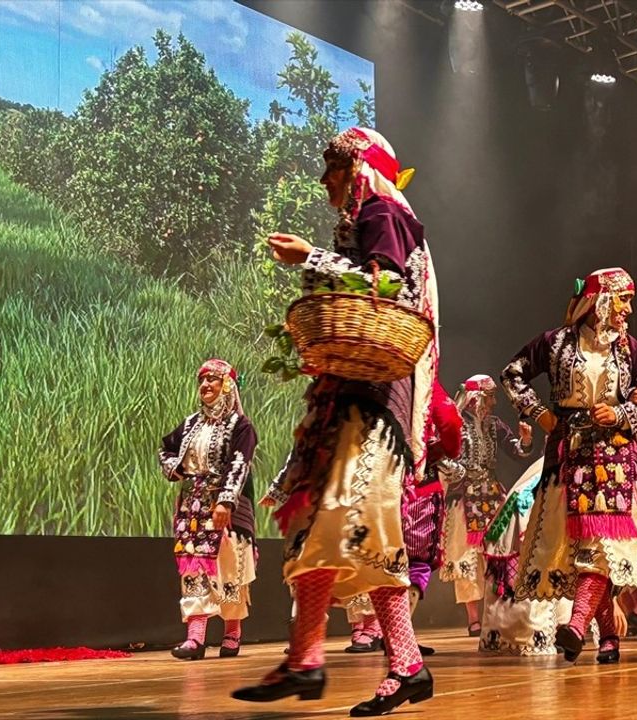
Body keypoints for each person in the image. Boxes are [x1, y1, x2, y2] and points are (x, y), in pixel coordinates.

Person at [233, 127, 438, 716]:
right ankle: (311, 660)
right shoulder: (362, 221)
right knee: (322, 529)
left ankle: (396, 665)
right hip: (347, 394)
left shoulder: (384, 214)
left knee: (356, 522)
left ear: (360, 171)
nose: (324, 180)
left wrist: (311, 258)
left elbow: (392, 286)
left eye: (333, 168)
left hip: (372, 401)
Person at [500, 267, 637, 664]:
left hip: (617, 461)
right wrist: (539, 413)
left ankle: (575, 626)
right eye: (622, 299)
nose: (628, 309)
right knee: (582, 549)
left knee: (601, 546)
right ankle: (608, 636)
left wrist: (621, 413)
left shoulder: (632, 350)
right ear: (599, 299)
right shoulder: (555, 344)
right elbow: (512, 374)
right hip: (568, 456)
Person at [159, 359, 258, 660]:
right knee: (194, 567)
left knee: (229, 568)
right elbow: (166, 449)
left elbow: (240, 463)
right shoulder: (190, 424)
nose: (205, 386)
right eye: (202, 381)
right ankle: (195, 638)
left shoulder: (240, 426)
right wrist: (174, 469)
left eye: (213, 380)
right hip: (192, 508)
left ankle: (231, 633)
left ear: (227, 385)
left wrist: (225, 500)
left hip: (225, 506)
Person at [440, 374, 534, 636]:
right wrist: (459, 472)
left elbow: (516, 452)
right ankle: (474, 619)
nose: (494, 402)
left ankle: (494, 612)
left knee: (498, 552)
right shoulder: (455, 425)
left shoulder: (494, 425)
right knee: (466, 558)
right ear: (476, 399)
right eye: (490, 396)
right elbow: (439, 456)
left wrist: (525, 440)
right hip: (464, 498)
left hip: (492, 496)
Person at [480, 457, 575, 655]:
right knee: (546, 565)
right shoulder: (562, 464)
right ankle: (535, 634)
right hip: (533, 518)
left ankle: (551, 631)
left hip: (532, 513)